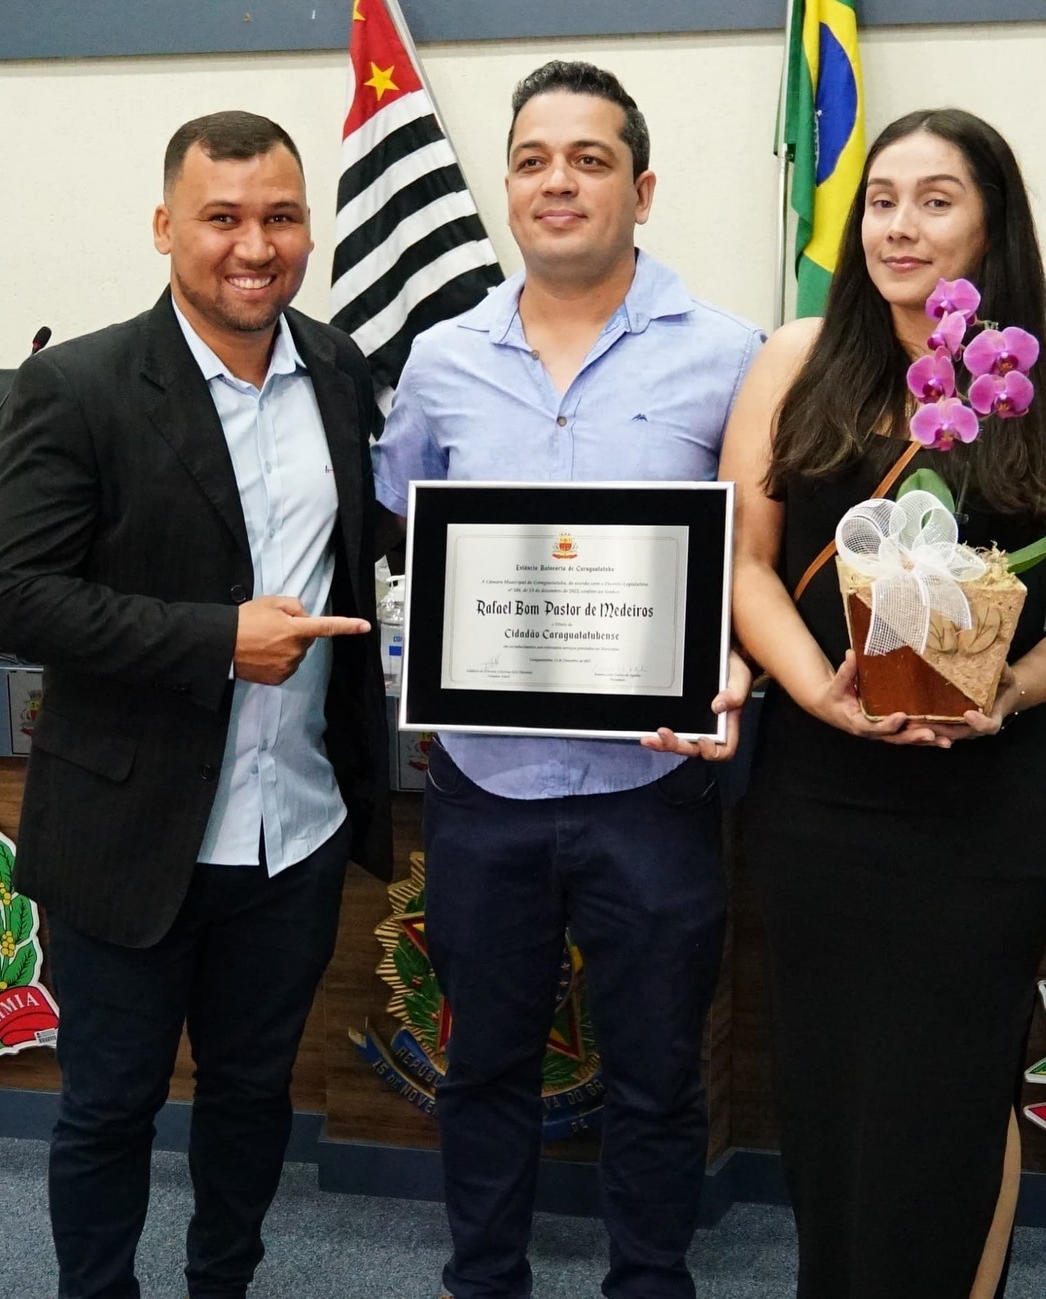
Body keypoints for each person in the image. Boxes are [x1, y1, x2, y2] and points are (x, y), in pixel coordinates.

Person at [722, 108, 1046, 1298]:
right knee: (831, 1097)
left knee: (948, 1101)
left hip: (982, 816)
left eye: (937, 199)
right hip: (822, 802)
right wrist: (819, 690)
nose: (900, 227)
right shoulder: (795, 362)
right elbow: (747, 562)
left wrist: (1010, 683)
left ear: (992, 226)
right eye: (882, 199)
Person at [0, 111, 390, 1299]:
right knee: (109, 1108)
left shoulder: (341, 368)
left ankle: (225, 1284)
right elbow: (13, 597)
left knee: (257, 1098)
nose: (254, 246)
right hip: (130, 836)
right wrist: (218, 641)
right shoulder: (81, 383)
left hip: (294, 831)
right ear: (167, 228)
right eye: (222, 218)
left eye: (280, 217)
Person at [372, 60, 764, 1299]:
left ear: (640, 189)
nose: (559, 182)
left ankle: (650, 1281)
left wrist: (740, 653)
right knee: (483, 1065)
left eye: (589, 160)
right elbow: (406, 535)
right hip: (485, 788)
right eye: (535, 159)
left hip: (652, 790)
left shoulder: (733, 357)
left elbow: (759, 551)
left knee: (657, 1074)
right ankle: (483, 1279)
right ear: (507, 186)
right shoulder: (439, 363)